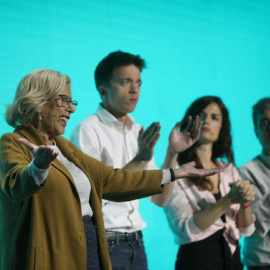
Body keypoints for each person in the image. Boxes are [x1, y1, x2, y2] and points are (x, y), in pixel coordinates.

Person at [0, 69, 223, 270]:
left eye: (72, 101)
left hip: (89, 248)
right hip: (51, 256)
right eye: (64, 100)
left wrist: (174, 173)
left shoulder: (66, 148)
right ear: (39, 101)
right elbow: (15, 185)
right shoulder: (12, 142)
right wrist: (38, 167)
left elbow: (113, 179)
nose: (71, 108)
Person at [70, 50, 202, 270]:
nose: (134, 90)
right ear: (103, 90)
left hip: (136, 244)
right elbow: (94, 193)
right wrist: (140, 160)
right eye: (125, 82)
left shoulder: (137, 131)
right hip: (104, 242)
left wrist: (172, 153)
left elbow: (160, 199)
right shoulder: (87, 130)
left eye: (138, 83)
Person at [164, 96, 255, 270]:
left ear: (222, 127)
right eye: (201, 115)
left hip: (233, 259)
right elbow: (185, 229)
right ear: (190, 121)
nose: (206, 121)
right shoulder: (174, 170)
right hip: (196, 260)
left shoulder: (229, 170)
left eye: (215, 117)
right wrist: (227, 201)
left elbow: (247, 229)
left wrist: (244, 203)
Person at [240, 98, 270, 270]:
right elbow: (255, 228)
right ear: (256, 131)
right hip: (262, 264)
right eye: (265, 122)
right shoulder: (246, 172)